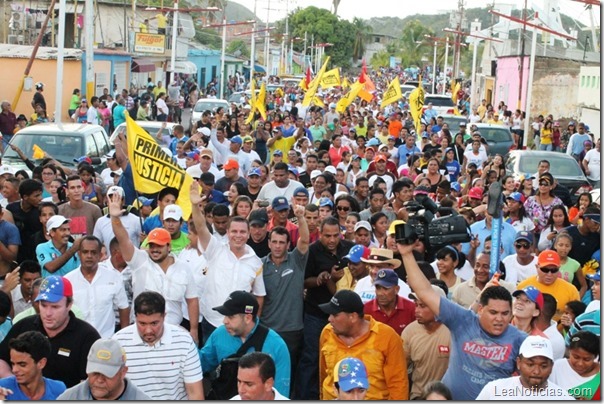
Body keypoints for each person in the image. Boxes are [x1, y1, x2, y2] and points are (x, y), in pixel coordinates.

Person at [397, 241, 527, 400]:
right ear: (480, 309)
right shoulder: (463, 320)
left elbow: (536, 377)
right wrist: (406, 254)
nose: (499, 319)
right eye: (493, 312)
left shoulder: (520, 340)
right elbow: (424, 291)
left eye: (505, 313)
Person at [108, 193, 199, 343]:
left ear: (169, 246)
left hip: (174, 332)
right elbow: (123, 239)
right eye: (152, 245)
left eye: (159, 246)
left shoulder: (183, 267)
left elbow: (192, 300)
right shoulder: (140, 261)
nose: (154, 249)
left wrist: (194, 330)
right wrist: (115, 219)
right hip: (142, 332)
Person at [189, 182, 265, 342]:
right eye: (234, 231)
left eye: (243, 232)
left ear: (249, 234)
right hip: (211, 323)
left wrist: (252, 323)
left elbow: (258, 296)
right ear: (228, 233)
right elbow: (201, 228)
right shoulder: (215, 249)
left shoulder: (256, 262)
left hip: (240, 328)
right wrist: (195, 207)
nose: (238, 235)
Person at [0, 276, 101, 388]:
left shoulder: (87, 336)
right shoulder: (24, 326)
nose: (48, 313)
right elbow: (2, 359)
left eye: (55, 307)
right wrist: (13, 384)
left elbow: (89, 382)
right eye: (43, 305)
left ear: (69, 305)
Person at [295, 216, 353, 400]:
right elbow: (303, 281)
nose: (332, 240)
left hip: (344, 316)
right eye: (327, 236)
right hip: (316, 313)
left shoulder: (348, 249)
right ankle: (305, 397)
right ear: (320, 234)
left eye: (336, 235)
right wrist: (320, 278)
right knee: (311, 358)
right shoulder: (312, 251)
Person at [111, 291, 204, 400]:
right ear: (135, 317)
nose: (148, 330)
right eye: (142, 324)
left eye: (154, 323)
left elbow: (195, 393)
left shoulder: (184, 341)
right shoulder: (118, 342)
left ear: (164, 316)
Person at [318, 289, 408, 400]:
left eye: (335, 315)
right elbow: (324, 376)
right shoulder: (327, 333)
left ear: (353, 317)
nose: (329, 319)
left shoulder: (387, 337)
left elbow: (398, 384)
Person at [200, 291, 291, 398]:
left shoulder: (276, 345)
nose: (225, 321)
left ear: (247, 318)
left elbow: (280, 392)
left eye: (231, 316)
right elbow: (200, 365)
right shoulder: (219, 334)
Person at [260, 202, 309, 384]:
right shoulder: (260, 265)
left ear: (289, 244)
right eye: (274, 242)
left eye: (282, 242)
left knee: (287, 376)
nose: (278, 246)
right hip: (267, 328)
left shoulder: (296, 260)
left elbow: (304, 240)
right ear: (269, 243)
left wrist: (301, 217)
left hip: (292, 330)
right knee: (266, 375)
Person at [64, 236, 130, 338]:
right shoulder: (68, 280)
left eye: (93, 252)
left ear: (100, 255)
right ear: (79, 254)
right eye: (85, 252)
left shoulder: (113, 277)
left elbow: (123, 307)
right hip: (77, 339)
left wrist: (124, 336)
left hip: (106, 339)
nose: (89, 256)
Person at [476, 335, 572, 400]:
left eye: (543, 366)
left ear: (551, 366)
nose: (536, 371)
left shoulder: (563, 398)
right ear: (519, 363)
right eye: (530, 364)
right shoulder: (494, 390)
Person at [56, 339, 151, 400]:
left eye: (107, 374)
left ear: (123, 372)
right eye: (95, 373)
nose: (100, 380)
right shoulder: (68, 398)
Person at [402, 285, 451, 399]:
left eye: (422, 306)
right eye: (416, 305)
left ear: (438, 306)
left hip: (446, 396)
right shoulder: (409, 332)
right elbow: (400, 371)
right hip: (419, 395)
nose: (416, 310)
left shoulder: (453, 332)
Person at [0, 331, 66, 400]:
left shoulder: (59, 390)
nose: (14, 370)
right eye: (13, 364)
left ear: (41, 363)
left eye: (22, 365)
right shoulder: (2, 388)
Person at [517, 250, 580, 321]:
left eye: (554, 270)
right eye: (545, 269)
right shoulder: (523, 286)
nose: (549, 274)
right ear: (537, 267)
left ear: (559, 268)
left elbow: (577, 317)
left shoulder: (571, 290)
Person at [550, 330, 600, 400]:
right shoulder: (557, 367)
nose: (580, 363)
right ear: (569, 351)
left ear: (595, 357)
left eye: (587, 359)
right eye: (576, 357)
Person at [363, 269, 416, 334]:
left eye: (385, 288)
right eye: (378, 288)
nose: (380, 293)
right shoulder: (366, 309)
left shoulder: (411, 308)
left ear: (397, 289)